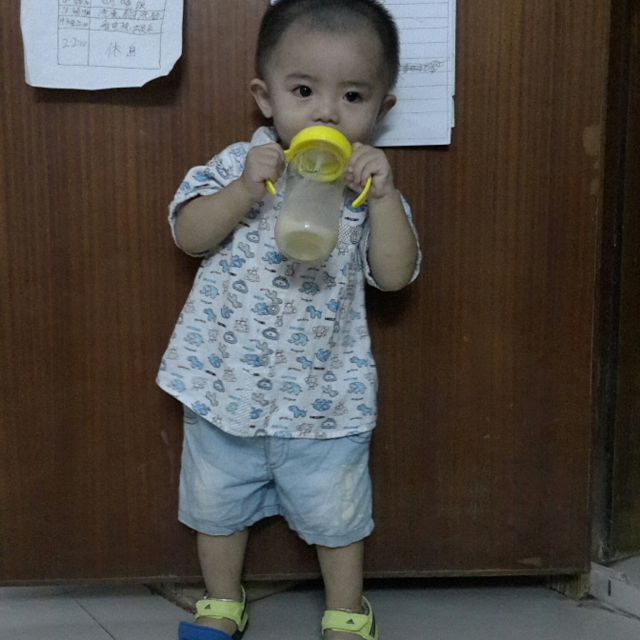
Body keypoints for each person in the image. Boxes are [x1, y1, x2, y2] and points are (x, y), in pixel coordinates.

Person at [157, 1, 421, 638]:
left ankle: (346, 609)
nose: (327, 112)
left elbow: (395, 275)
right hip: (224, 389)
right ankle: (221, 601)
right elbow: (188, 235)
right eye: (303, 91)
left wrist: (385, 199)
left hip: (323, 396)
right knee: (215, 505)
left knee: (338, 513)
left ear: (381, 108)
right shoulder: (240, 165)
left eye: (352, 96)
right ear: (265, 97)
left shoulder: (366, 189)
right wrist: (243, 192)